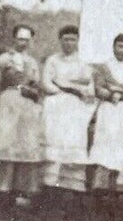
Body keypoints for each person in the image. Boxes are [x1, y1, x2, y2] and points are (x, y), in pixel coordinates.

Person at [41, 25, 96, 203]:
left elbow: (88, 87)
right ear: (60, 40)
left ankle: (69, 189)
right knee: (54, 141)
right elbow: (46, 82)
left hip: (74, 108)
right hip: (56, 105)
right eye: (66, 39)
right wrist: (62, 89)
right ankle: (49, 188)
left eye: (72, 39)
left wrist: (70, 86)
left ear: (78, 41)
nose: (69, 43)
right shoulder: (53, 60)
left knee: (72, 142)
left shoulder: (83, 63)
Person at [0, 25, 44, 207]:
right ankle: (2, 192)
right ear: (14, 39)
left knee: (25, 147)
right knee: (6, 145)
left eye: (27, 39)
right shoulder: (3, 60)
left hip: (27, 106)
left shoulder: (32, 62)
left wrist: (33, 91)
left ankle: (19, 193)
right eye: (20, 39)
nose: (23, 43)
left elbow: (38, 87)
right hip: (8, 103)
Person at [87, 75, 123, 212]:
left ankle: (115, 191)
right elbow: (98, 90)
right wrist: (110, 93)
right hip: (107, 110)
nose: (121, 51)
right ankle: (99, 193)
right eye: (118, 50)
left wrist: (122, 94)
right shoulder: (104, 69)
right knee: (103, 150)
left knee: (121, 149)